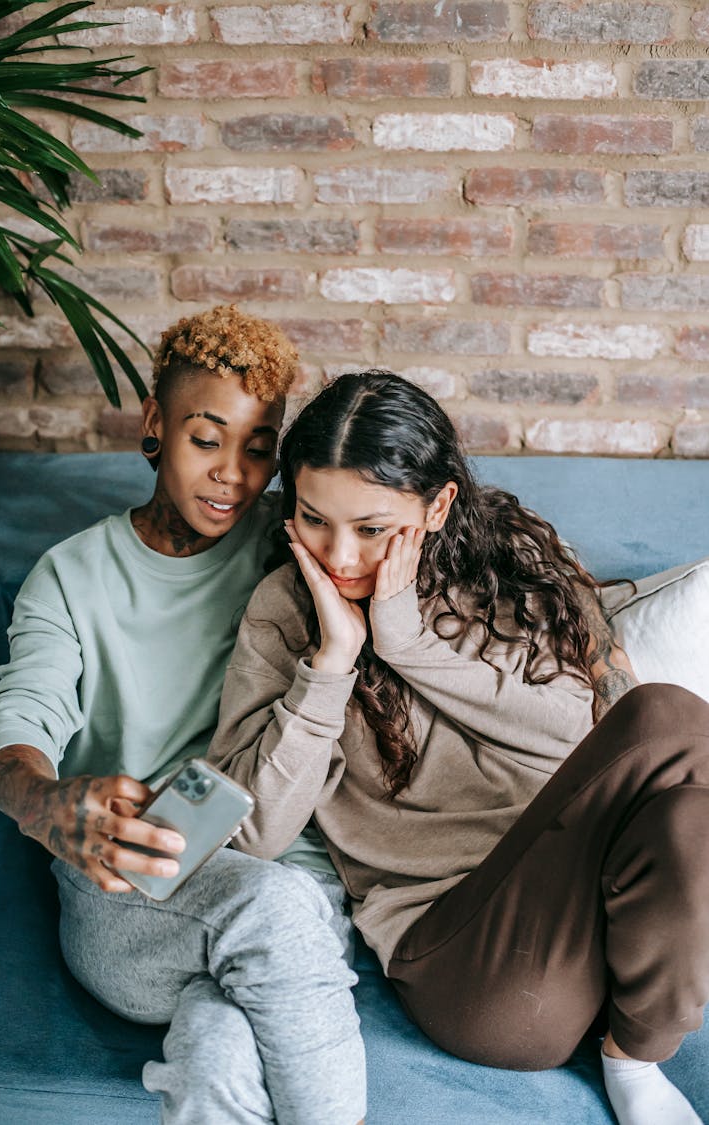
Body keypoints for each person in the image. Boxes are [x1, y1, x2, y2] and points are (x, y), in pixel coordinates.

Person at [208, 369, 709, 1125]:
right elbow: (254, 830)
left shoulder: (513, 567)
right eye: (314, 519)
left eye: (373, 529)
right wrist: (334, 663)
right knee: (668, 714)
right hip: (474, 971)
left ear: (438, 505)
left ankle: (634, 1057)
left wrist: (409, 644)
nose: (341, 556)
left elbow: (589, 737)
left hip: (598, 920)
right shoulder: (285, 611)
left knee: (690, 818)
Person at [0, 307, 366, 1125]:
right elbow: (21, 718)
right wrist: (45, 803)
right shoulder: (73, 575)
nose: (233, 472)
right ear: (155, 424)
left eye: (259, 447)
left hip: (287, 892)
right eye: (205, 437)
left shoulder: (292, 548)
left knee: (222, 1046)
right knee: (275, 911)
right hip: (133, 885)